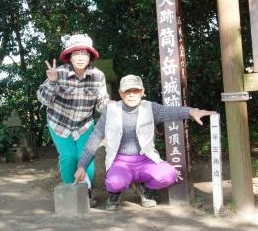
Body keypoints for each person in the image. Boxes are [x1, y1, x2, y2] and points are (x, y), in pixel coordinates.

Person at [74, 74, 216, 211]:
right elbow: (95, 138)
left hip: (145, 160)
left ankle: (146, 189)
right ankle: (114, 194)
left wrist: (192, 112)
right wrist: (82, 166)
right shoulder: (111, 111)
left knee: (169, 175)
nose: (131, 94)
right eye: (127, 91)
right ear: (120, 93)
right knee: (114, 181)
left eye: (135, 90)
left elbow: (171, 111)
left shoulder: (150, 108)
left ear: (142, 92)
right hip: (120, 162)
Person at [37, 33, 109, 207]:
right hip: (59, 123)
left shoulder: (98, 75)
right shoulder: (58, 73)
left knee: (86, 156)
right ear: (69, 56)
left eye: (84, 53)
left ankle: (86, 191)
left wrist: (110, 106)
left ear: (90, 56)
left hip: (84, 124)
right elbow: (43, 99)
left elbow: (101, 102)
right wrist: (52, 82)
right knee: (69, 156)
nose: (80, 57)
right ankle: (70, 191)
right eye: (75, 54)